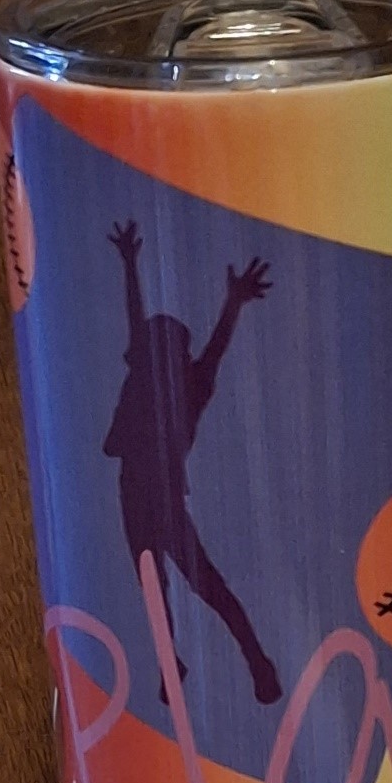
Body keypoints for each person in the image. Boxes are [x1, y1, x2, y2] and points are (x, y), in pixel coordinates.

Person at [104, 219, 282, 705]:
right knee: (153, 582)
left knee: (202, 583)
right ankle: (173, 665)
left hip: (158, 491)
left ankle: (255, 660)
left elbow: (215, 348)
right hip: (133, 487)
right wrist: (129, 263)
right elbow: (136, 319)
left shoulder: (190, 385)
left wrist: (233, 303)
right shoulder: (147, 375)